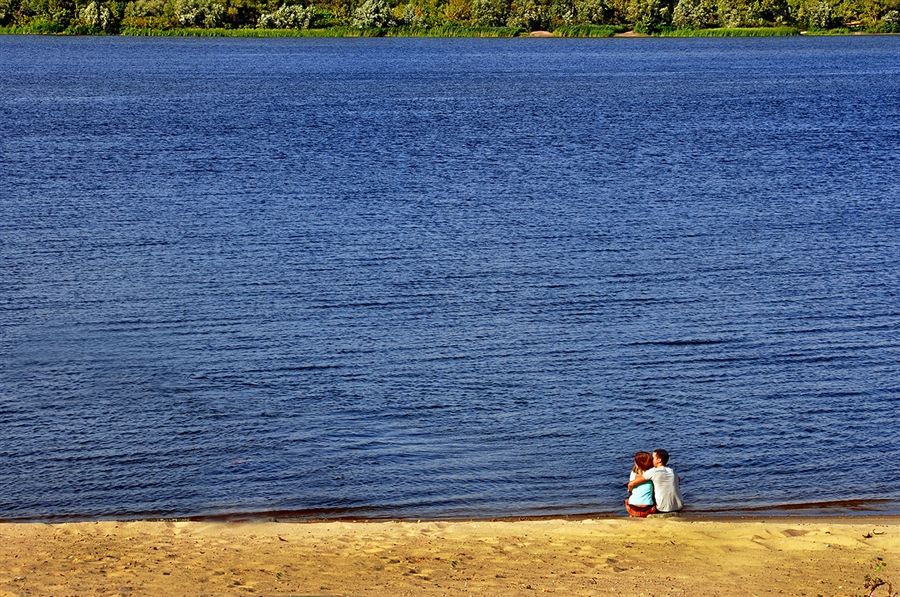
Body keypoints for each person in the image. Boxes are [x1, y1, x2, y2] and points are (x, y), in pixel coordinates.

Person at [627, 449, 683, 514]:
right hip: (679, 506)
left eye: (653, 458)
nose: (651, 460)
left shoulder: (653, 472)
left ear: (659, 460)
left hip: (662, 509)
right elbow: (678, 480)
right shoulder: (672, 471)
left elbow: (632, 483)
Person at [625, 451, 656, 517]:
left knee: (627, 500)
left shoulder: (633, 473)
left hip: (632, 509)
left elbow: (630, 486)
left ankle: (633, 515)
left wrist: (630, 491)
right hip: (648, 509)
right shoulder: (652, 472)